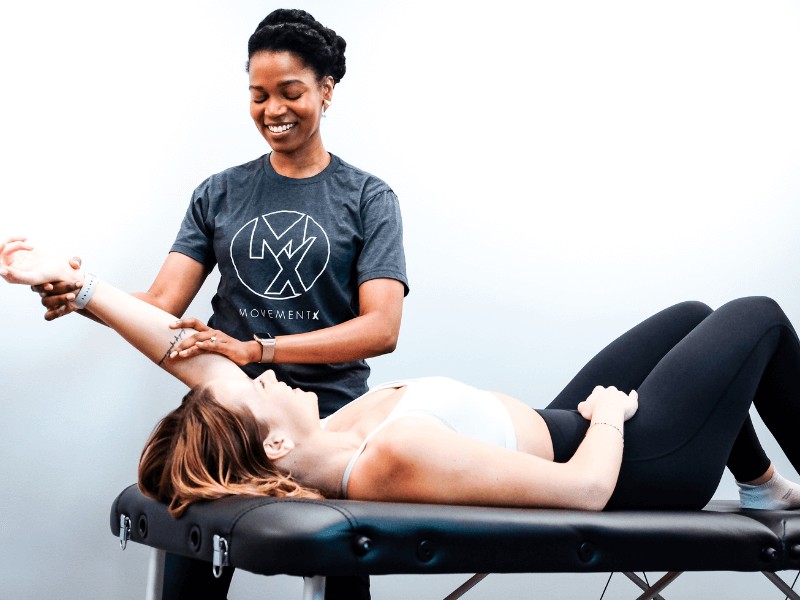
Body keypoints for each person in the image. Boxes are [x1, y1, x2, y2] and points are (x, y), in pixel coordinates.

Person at [5, 240, 800, 523]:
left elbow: (178, 350)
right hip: (634, 465)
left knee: (693, 316)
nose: (263, 374)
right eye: (259, 390)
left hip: (560, 421)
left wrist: (83, 289)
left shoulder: (309, 439)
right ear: (273, 438)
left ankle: (765, 487)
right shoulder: (386, 457)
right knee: (757, 316)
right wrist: (613, 418)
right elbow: (587, 494)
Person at [29, 9, 408, 600]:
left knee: (340, 588)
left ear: (326, 90)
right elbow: (161, 302)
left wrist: (258, 347)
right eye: (258, 95)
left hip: (329, 423)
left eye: (290, 92)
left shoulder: (368, 198)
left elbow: (381, 328)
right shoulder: (219, 192)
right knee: (189, 584)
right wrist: (81, 295)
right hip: (222, 424)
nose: (272, 111)